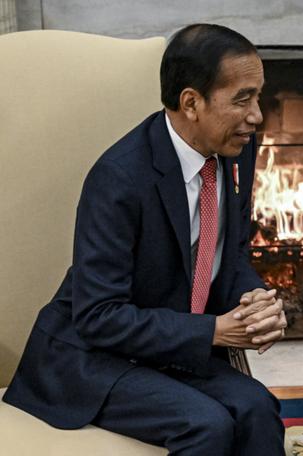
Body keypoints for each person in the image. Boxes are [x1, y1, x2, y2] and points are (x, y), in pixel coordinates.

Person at [3, 24, 287, 455]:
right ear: (191, 102)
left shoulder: (237, 148)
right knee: (206, 426)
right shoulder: (118, 178)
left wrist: (255, 301)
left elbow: (229, 257)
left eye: (258, 96)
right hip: (92, 356)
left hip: (170, 343)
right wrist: (214, 331)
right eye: (242, 99)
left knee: (257, 408)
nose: (257, 115)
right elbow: (99, 315)